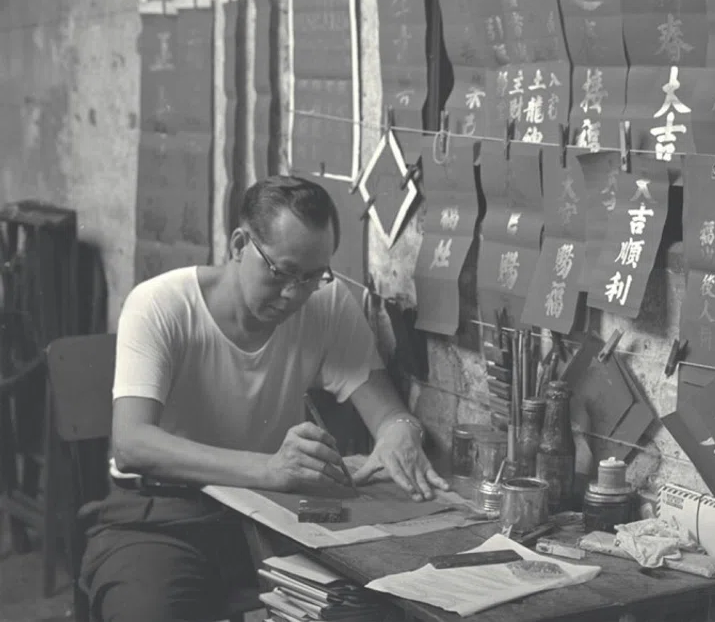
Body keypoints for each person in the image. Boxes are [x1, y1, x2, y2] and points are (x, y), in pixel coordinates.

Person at [79, 175, 448, 622]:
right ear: (239, 244)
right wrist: (270, 469)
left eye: (312, 276)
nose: (294, 294)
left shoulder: (327, 303)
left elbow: (388, 414)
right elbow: (133, 444)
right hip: (162, 517)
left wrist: (399, 435)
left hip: (274, 515)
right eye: (282, 273)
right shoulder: (161, 305)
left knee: (372, 608)